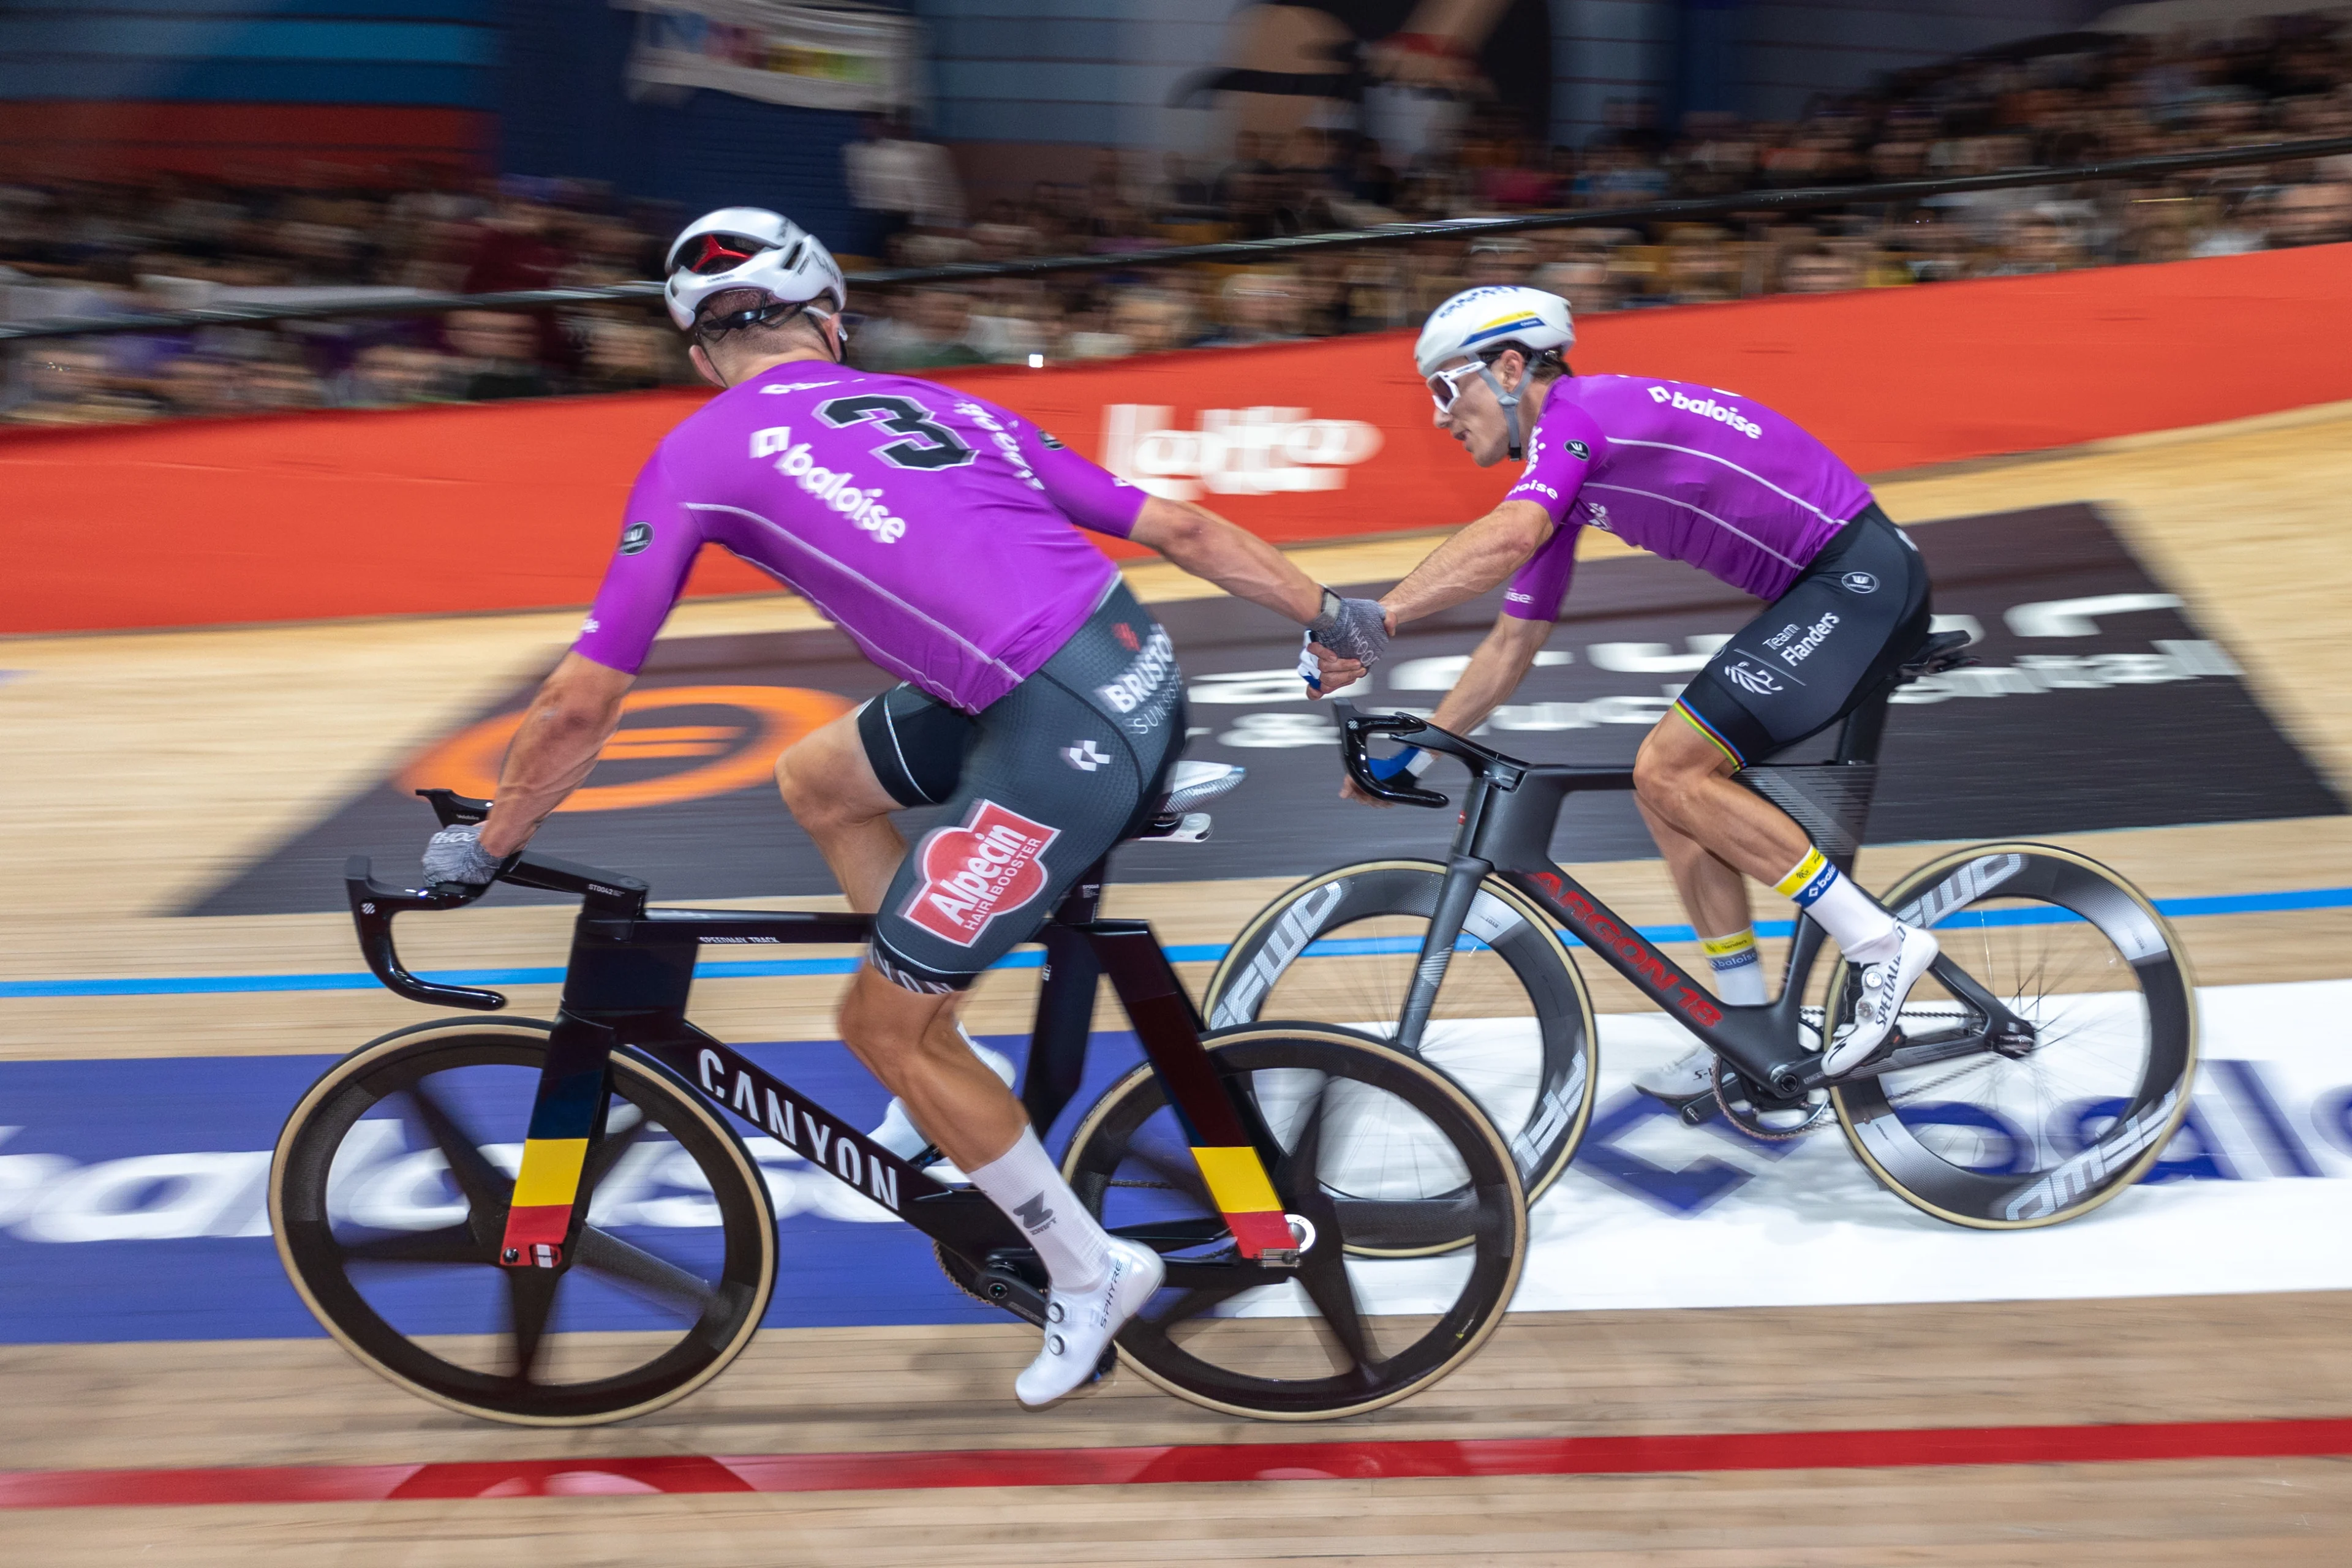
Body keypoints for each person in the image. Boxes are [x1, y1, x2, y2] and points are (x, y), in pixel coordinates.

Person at [418, 206, 1388, 1408]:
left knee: (877, 1025)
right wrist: (1329, 613)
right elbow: (1180, 525)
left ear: (704, 355)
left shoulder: (698, 451)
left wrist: (490, 839)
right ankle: (950, 1035)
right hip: (1121, 667)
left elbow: (580, 702)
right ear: (831, 319)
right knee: (816, 776)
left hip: (1059, 729)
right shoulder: (947, 403)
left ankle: (1087, 1267)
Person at [1309, 285, 1940, 1099]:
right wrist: (1416, 760)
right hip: (1832, 589)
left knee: (1670, 768)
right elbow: (1511, 646)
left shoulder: (1581, 414)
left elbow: (1509, 535)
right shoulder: (1567, 468)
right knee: (1669, 793)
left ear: (1509, 367)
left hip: (1860, 581)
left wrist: (1377, 618)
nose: (1440, 415)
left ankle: (1882, 945)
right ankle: (1749, 1035)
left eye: (1445, 387)